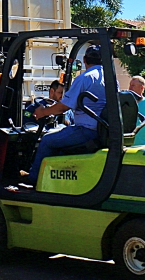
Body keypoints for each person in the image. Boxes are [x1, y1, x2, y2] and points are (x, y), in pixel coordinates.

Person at [22, 45, 106, 186]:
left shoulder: (85, 78)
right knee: (60, 132)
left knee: (48, 140)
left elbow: (63, 107)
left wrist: (43, 112)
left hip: (86, 130)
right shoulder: (110, 79)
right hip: (101, 129)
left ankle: (33, 180)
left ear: (84, 60)